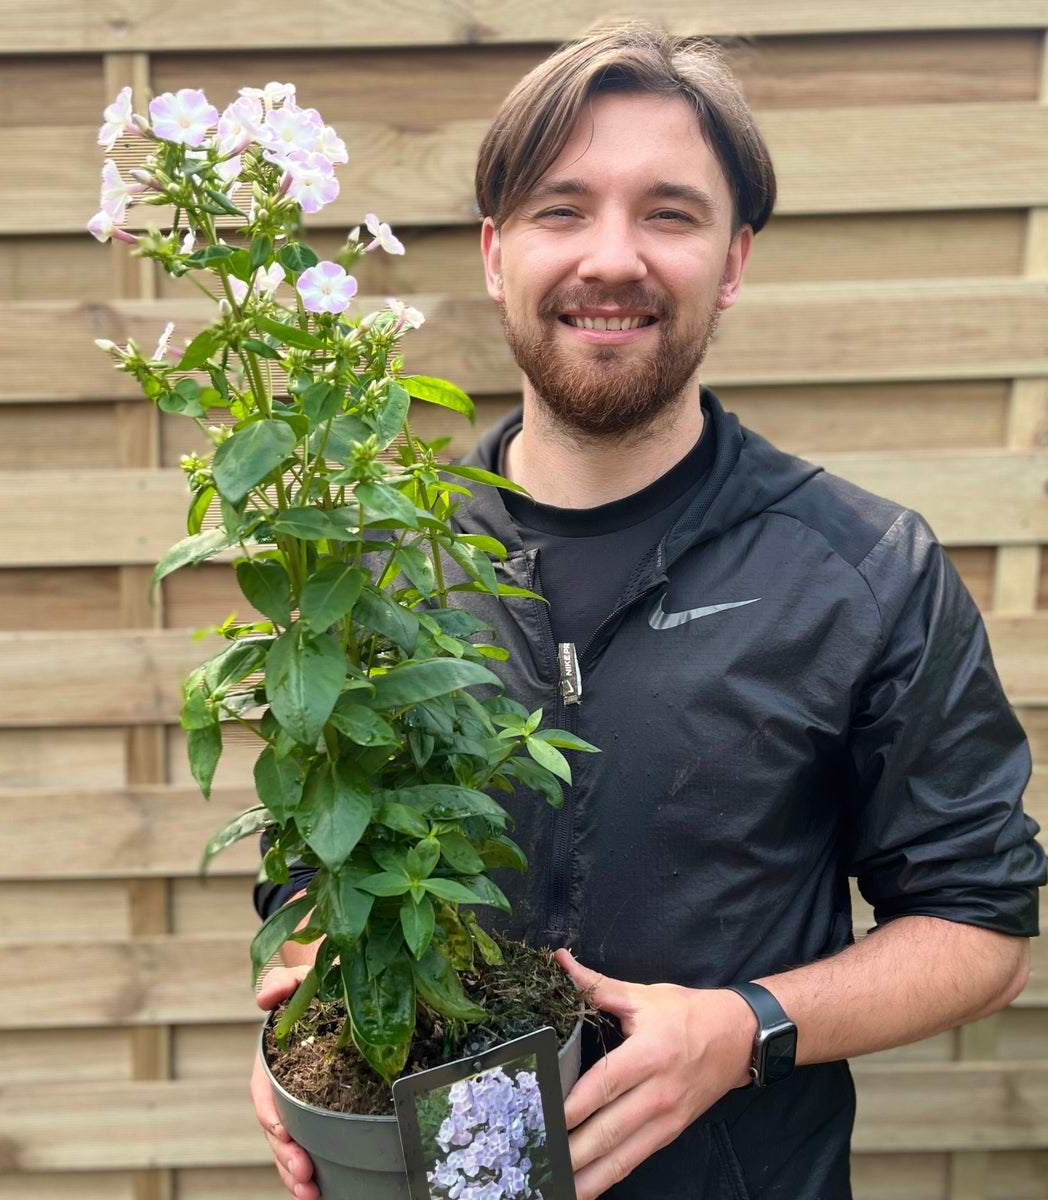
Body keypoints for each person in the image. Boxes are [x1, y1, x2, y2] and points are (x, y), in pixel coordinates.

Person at [251, 24, 1046, 1200]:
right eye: (562, 209)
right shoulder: (377, 569)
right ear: (494, 251)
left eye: (670, 213)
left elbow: (983, 930)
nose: (612, 257)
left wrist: (750, 1027)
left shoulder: (863, 570)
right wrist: (306, 1033)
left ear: (733, 261)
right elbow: (309, 878)